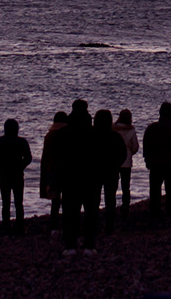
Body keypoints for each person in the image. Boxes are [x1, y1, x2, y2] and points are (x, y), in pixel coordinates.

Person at [56, 100, 98, 255]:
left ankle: (70, 245)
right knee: (91, 213)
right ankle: (89, 245)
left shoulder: (62, 134)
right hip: (90, 178)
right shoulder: (95, 133)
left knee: (69, 213)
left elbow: (58, 157)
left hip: (69, 178)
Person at [142, 102, 171, 217]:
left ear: (160, 113)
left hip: (155, 164)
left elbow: (146, 146)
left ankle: (155, 212)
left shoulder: (151, 128)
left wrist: (147, 161)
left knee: (155, 191)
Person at [0, 119, 32, 235]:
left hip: (4, 174)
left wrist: (0, 166)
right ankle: (20, 227)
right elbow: (28, 158)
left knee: (6, 202)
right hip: (18, 174)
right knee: (19, 202)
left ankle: (6, 226)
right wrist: (21, 166)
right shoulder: (22, 142)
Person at [93, 109, 127, 236]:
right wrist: (117, 165)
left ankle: (93, 224)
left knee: (93, 199)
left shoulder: (91, 135)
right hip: (111, 171)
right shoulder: (115, 137)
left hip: (94, 172)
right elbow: (123, 154)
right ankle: (109, 226)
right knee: (110, 200)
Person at [40, 111, 69, 231]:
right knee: (68, 201)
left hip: (53, 171)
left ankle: (54, 228)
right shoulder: (70, 134)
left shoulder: (50, 135)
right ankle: (67, 226)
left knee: (55, 202)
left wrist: (45, 176)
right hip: (68, 171)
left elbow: (45, 156)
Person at [112, 109, 140, 220]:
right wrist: (130, 153)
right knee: (125, 186)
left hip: (113, 160)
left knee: (112, 185)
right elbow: (135, 147)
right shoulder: (131, 131)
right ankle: (125, 207)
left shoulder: (113, 129)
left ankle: (111, 206)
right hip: (127, 161)